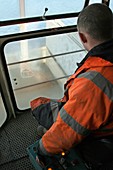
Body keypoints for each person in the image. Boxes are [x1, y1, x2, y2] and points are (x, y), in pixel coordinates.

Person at [31, 3, 113, 168]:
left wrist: (41, 149)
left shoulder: (93, 83)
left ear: (82, 37)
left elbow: (67, 131)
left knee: (39, 107)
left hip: (103, 142)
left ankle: (47, 133)